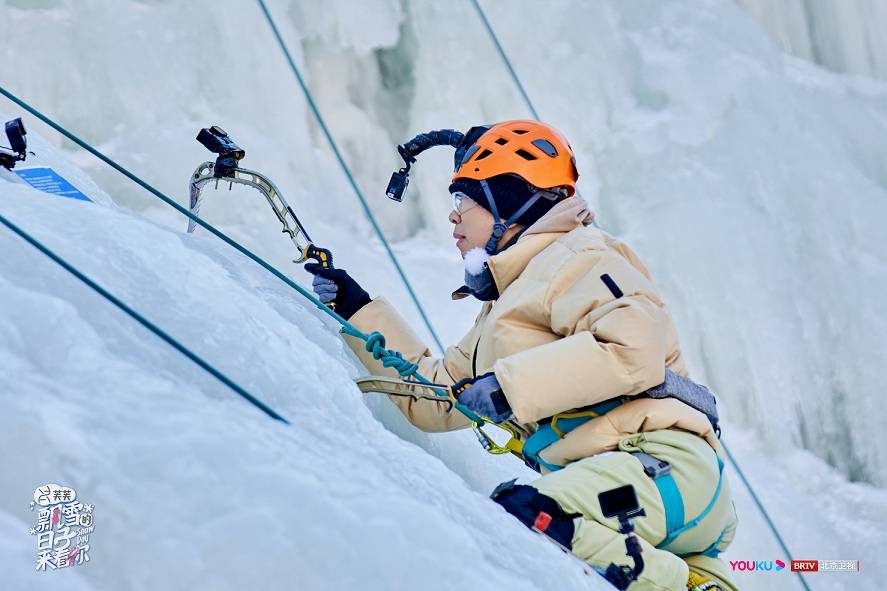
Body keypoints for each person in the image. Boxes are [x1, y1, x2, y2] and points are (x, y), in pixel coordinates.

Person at [306, 120, 739, 591]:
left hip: (664, 468)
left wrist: (511, 388)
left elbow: (634, 345)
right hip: (613, 495)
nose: (452, 218)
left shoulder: (582, 257)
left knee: (525, 517)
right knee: (534, 531)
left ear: (507, 202)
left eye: (463, 201)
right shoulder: (502, 311)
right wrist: (356, 308)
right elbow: (433, 398)